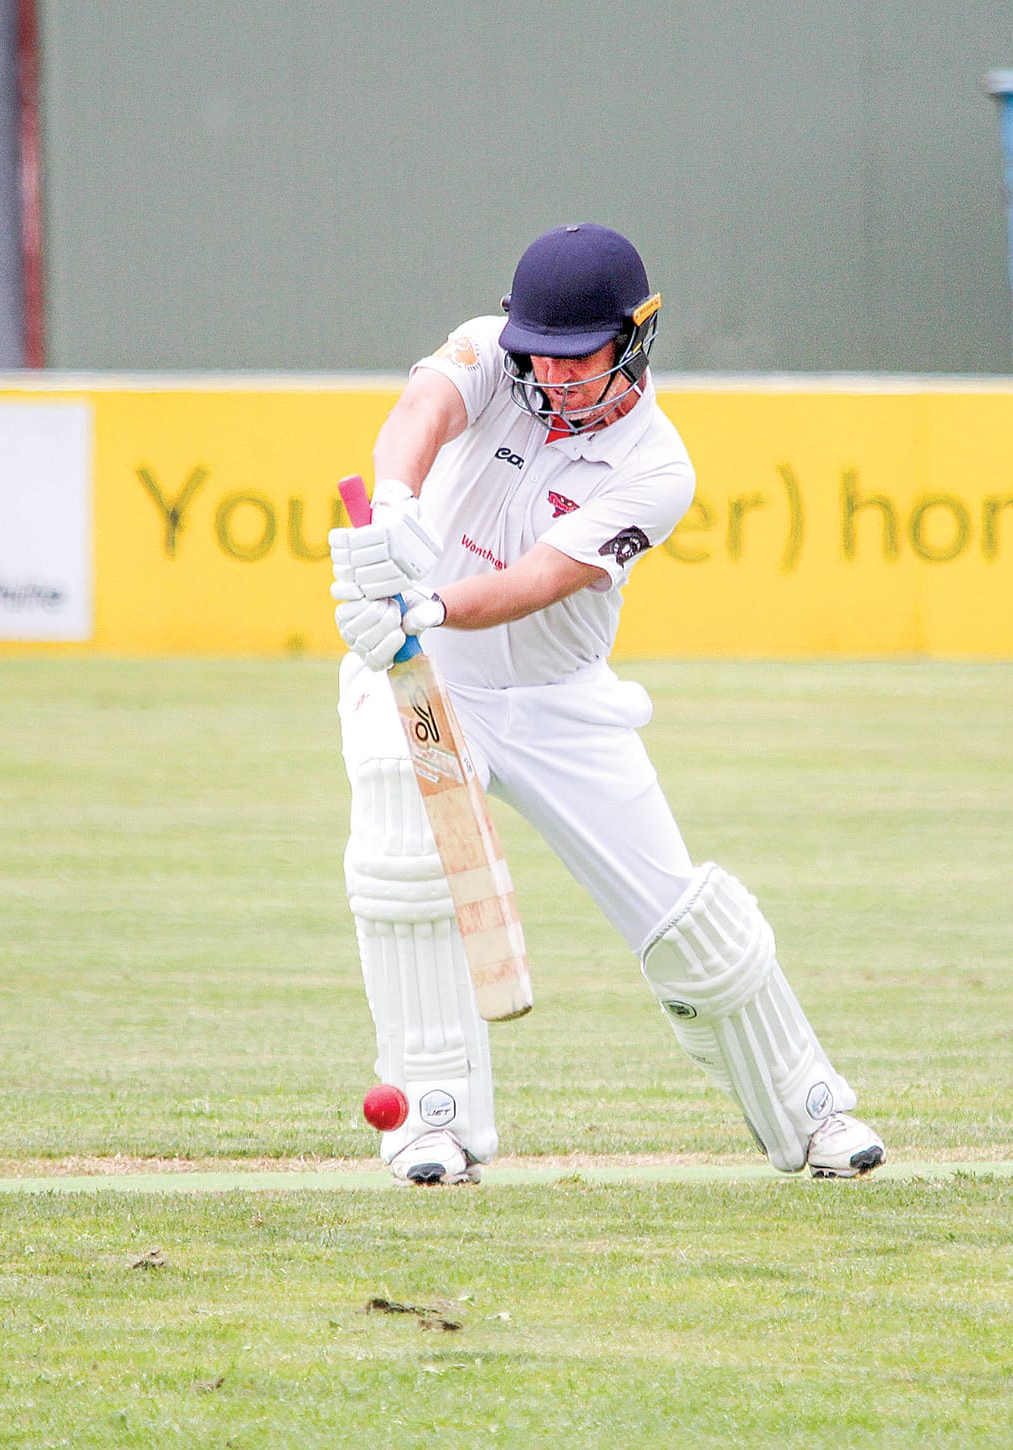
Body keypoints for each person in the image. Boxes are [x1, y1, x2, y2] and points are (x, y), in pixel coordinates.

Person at [326, 223, 886, 1185]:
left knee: (682, 919)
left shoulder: (657, 467)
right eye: (535, 353)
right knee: (397, 831)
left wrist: (431, 601)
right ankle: (432, 1121)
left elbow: (546, 575)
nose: (551, 375)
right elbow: (420, 408)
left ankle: (811, 1110)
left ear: (634, 339)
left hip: (556, 702)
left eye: (576, 357)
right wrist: (398, 502)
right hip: (426, 678)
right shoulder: (497, 355)